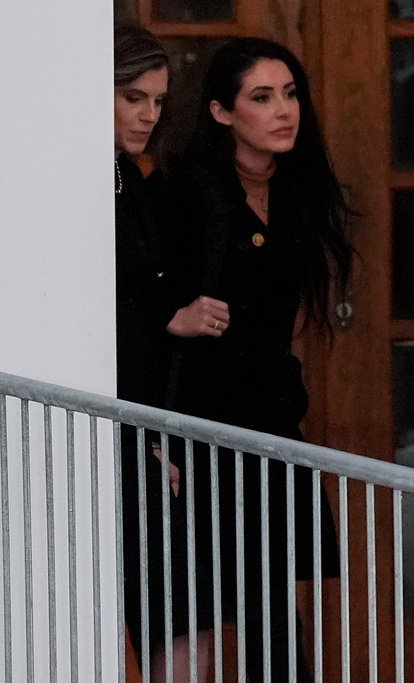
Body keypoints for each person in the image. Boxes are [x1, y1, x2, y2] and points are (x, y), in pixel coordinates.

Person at [155, 37, 352, 683]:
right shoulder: (189, 192)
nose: (283, 110)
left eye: (290, 93)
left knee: (272, 606)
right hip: (198, 431)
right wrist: (169, 318)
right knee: (197, 614)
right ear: (220, 112)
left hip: (268, 425)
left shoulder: (292, 192)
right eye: (261, 97)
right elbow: (136, 295)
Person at [113, 21, 215, 683]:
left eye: (158, 100)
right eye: (133, 98)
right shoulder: (77, 188)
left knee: (181, 614)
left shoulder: (133, 181)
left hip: (143, 426)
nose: (150, 114)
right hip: (114, 428)